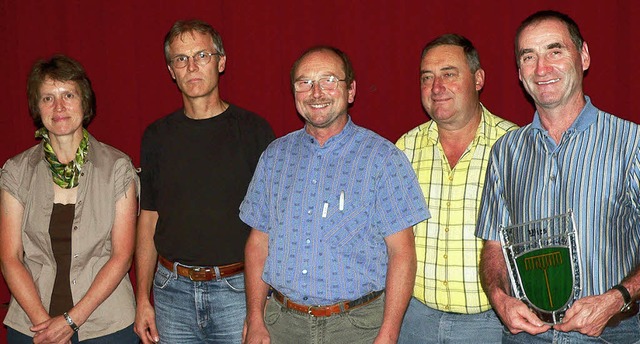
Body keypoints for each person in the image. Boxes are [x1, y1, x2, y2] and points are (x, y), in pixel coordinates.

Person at [240, 45, 430, 344]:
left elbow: (402, 253)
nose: (316, 92)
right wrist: (254, 318)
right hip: (281, 326)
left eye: (329, 80)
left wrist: (389, 333)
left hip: (357, 329)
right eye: (305, 82)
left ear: (351, 90)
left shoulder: (383, 159)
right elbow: (257, 244)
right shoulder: (274, 157)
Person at [476, 10, 640, 343]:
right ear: (519, 72)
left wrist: (619, 297)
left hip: (611, 334)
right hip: (526, 336)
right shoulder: (504, 152)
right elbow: (494, 246)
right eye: (528, 57)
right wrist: (500, 299)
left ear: (583, 56)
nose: (541, 68)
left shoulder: (631, 143)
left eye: (555, 51)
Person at [134, 19, 275, 344]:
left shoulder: (254, 132)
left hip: (237, 291)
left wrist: (260, 306)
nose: (192, 66)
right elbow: (148, 219)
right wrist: (143, 298)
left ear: (221, 62)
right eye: (181, 59)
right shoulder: (156, 137)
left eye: (202, 55)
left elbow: (270, 224)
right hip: (171, 293)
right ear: (171, 70)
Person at [0, 55, 139, 343]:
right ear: (37, 108)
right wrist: (45, 326)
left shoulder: (117, 167)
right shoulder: (15, 171)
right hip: (33, 326)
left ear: (84, 103)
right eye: (48, 98)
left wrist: (70, 321)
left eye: (68, 95)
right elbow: (10, 257)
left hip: (105, 324)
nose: (59, 107)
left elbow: (122, 256)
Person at [395, 34, 517, 343]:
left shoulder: (515, 146)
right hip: (415, 319)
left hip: (491, 323)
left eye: (449, 74)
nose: (436, 88)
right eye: (427, 77)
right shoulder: (404, 150)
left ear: (478, 79)